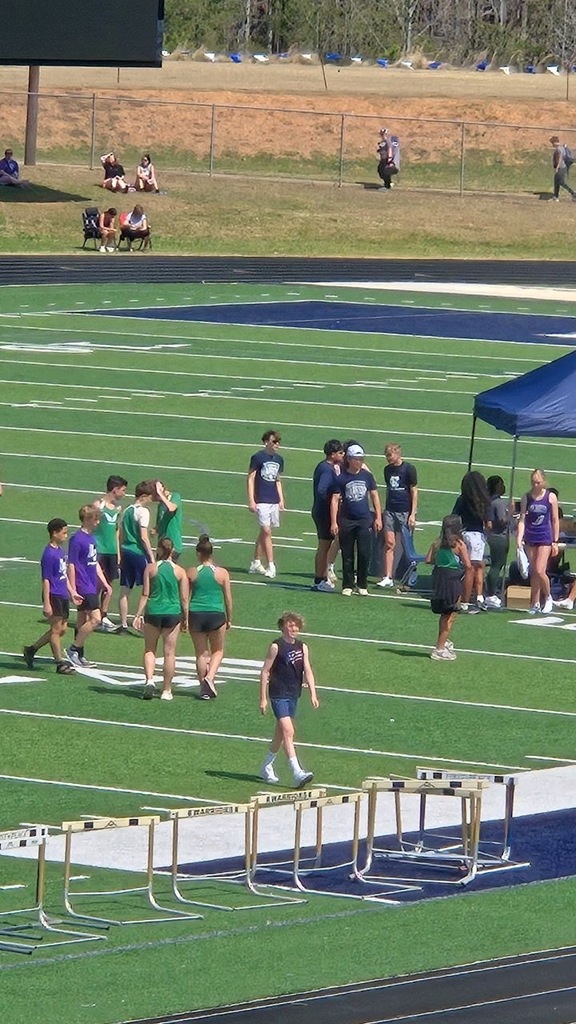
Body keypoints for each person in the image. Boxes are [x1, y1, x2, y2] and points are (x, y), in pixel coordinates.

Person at [259, 611, 319, 787]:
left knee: (280, 733)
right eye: (290, 625)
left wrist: (313, 693)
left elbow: (307, 669)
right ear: (283, 626)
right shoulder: (276, 646)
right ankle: (297, 771)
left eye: (296, 625)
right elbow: (264, 672)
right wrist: (263, 698)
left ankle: (266, 765)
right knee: (288, 731)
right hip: (278, 693)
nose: (294, 628)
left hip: (293, 693)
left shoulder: (302, 647)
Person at [133, 538, 189, 701]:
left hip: (153, 612)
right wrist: (186, 618)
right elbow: (184, 599)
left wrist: (137, 614)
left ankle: (149, 680)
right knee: (169, 653)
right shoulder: (180, 571)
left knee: (150, 649)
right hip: (172, 613)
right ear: (172, 551)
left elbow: (145, 594)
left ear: (158, 550)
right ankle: (167, 690)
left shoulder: (150, 568)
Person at [23, 518, 78, 675]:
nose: (66, 536)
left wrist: (72, 592)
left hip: (62, 594)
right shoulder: (49, 555)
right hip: (53, 595)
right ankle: (59, 663)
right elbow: (46, 580)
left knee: (62, 629)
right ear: (54, 533)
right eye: (64, 533)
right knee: (55, 630)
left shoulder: (60, 551)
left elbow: (63, 574)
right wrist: (47, 603)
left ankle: (32, 649)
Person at [330, 443, 382, 596]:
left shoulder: (367, 476)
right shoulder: (341, 478)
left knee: (365, 553)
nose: (360, 461)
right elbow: (334, 500)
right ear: (350, 460)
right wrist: (334, 521)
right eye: (357, 459)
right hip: (347, 519)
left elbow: (374, 496)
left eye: (361, 459)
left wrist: (378, 517)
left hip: (364, 519)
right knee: (347, 554)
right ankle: (348, 584)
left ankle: (362, 584)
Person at [187, 535, 233, 700]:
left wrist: (185, 618)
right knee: (218, 651)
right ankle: (210, 677)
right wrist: (229, 618)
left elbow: (186, 597)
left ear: (199, 553)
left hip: (196, 613)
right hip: (216, 614)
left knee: (200, 654)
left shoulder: (192, 572)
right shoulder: (222, 573)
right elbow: (228, 598)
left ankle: (203, 689)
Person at [66, 506, 112, 668]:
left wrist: (105, 583)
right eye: (96, 519)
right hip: (82, 585)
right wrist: (72, 589)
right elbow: (71, 564)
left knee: (81, 621)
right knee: (96, 619)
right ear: (87, 519)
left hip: (91, 584)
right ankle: (73, 649)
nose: (98, 522)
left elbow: (94, 563)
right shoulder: (77, 539)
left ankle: (79, 655)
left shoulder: (91, 538)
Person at [426, 515, 473, 661]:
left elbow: (428, 560)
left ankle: (443, 642)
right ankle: (439, 649)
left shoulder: (437, 542)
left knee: (444, 614)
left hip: (439, 579)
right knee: (450, 615)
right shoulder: (459, 544)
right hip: (452, 581)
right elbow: (468, 565)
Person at [516, 469, 559, 614]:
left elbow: (554, 519)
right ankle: (535, 602)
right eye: (533, 482)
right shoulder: (526, 497)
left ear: (544, 482)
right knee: (534, 571)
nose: (535, 485)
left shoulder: (550, 497)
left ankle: (548, 597)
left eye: (538, 482)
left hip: (545, 537)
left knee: (541, 570)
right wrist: (519, 537)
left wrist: (555, 541)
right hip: (530, 536)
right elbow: (522, 518)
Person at [377, 443, 418, 588]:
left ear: (398, 454)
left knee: (406, 544)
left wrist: (412, 513)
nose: (388, 458)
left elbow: (414, 490)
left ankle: (412, 571)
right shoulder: (387, 470)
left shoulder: (408, 469)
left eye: (390, 455)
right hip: (390, 510)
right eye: (386, 456)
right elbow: (389, 489)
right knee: (389, 543)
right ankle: (388, 576)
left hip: (405, 511)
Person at [119, 481, 156, 631]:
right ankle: (139, 618)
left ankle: (123, 624)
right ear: (143, 496)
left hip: (126, 550)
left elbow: (121, 534)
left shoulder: (127, 510)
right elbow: (143, 536)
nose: (151, 501)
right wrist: (151, 557)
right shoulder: (143, 512)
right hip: (138, 552)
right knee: (148, 588)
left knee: (125, 589)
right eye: (149, 498)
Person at [247, 429, 284, 579]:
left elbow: (278, 480)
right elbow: (250, 478)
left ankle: (256, 562)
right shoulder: (257, 457)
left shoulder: (279, 459)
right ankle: (271, 565)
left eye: (278, 442)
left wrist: (281, 499)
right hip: (261, 499)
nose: (277, 444)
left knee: (264, 532)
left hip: (273, 499)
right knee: (267, 531)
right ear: (266, 442)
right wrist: (251, 500)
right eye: (274, 441)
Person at [452, 471, 491, 611]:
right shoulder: (484, 501)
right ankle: (476, 597)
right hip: (477, 536)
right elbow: (489, 524)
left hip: (464, 534)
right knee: (476, 568)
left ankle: (465, 599)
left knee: (468, 568)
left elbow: (454, 518)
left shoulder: (462, 499)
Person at [93, 474, 128, 632]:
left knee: (109, 583)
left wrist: (118, 552)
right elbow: (90, 526)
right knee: (98, 584)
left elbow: (116, 532)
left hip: (111, 551)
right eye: (123, 490)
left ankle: (103, 615)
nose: (124, 494)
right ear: (115, 489)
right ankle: (92, 613)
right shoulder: (99, 505)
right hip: (99, 550)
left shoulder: (117, 509)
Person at [311, 439, 345, 591]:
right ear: (332, 454)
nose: (343, 455)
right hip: (323, 512)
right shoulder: (326, 469)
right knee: (324, 546)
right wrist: (333, 500)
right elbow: (322, 490)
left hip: (322, 511)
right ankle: (319, 580)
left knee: (325, 546)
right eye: (340, 452)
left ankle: (322, 577)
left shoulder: (327, 467)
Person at [484, 475, 509, 608]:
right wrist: (511, 514)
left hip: (491, 536)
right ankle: (491, 593)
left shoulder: (488, 501)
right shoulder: (498, 503)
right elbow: (502, 520)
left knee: (494, 565)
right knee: (496, 566)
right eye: (501, 484)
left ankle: (489, 590)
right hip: (499, 537)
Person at [153, 479, 183, 559]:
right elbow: (160, 525)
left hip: (173, 545)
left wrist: (160, 493)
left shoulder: (175, 496)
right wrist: (155, 530)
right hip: (162, 546)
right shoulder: (160, 505)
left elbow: (171, 508)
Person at [549, 136, 576, 202]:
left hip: (561, 168)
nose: (552, 145)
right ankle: (556, 196)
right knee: (556, 182)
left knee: (561, 182)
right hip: (562, 167)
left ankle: (573, 193)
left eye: (552, 143)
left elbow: (560, 157)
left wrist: (557, 167)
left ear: (555, 142)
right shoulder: (562, 147)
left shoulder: (559, 149)